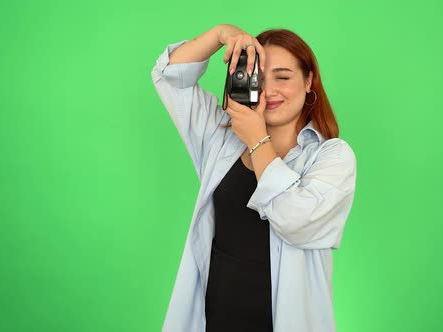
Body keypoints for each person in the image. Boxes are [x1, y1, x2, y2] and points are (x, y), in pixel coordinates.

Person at [151, 24, 357, 332]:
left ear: (309, 80)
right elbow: (170, 77)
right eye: (259, 77)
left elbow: (294, 220)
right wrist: (221, 34)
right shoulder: (222, 134)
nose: (269, 90)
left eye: (283, 77)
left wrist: (258, 139)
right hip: (215, 319)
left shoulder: (332, 157)